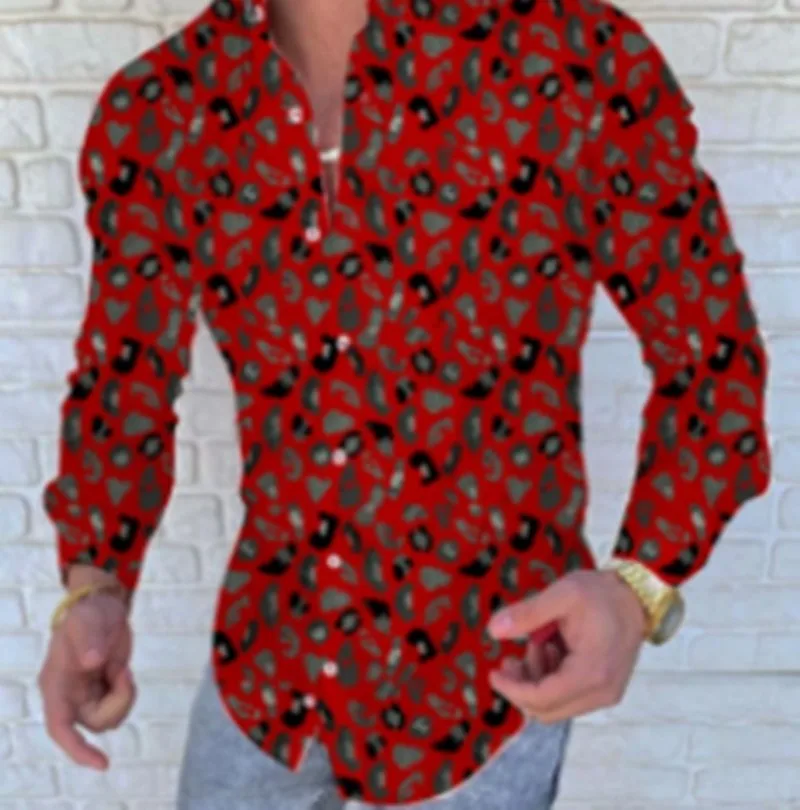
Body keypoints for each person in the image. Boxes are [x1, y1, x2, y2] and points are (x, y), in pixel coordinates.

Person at [37, 0, 771, 808]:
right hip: (270, 661)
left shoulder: (574, 61)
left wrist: (638, 587)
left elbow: (710, 355)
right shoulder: (161, 108)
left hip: (492, 680)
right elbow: (123, 386)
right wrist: (94, 587)